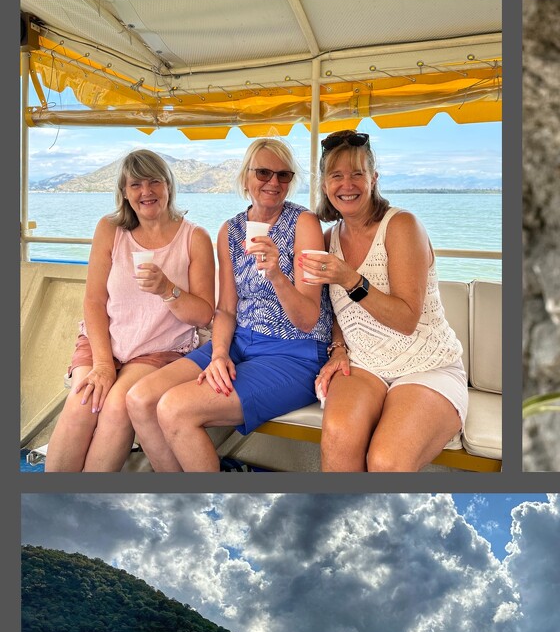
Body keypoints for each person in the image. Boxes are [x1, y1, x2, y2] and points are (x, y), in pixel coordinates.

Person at [126, 138, 335, 471]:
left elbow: (308, 319)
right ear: (245, 177)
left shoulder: (303, 224)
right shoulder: (231, 230)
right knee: (140, 399)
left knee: (175, 408)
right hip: (239, 342)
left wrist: (277, 274)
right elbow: (225, 310)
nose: (273, 183)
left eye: (283, 175)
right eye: (264, 172)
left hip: (294, 352)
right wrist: (220, 354)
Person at [299, 129, 467, 472]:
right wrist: (339, 347)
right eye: (337, 176)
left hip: (427, 366)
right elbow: (334, 311)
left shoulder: (402, 226)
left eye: (357, 174)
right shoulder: (329, 237)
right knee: (338, 437)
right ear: (325, 185)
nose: (347, 184)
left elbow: (406, 319)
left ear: (373, 179)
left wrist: (350, 278)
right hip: (364, 366)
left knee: (386, 461)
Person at [45, 149, 215, 471]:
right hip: (103, 340)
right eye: (136, 184)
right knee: (82, 404)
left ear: (169, 186)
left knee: (116, 407)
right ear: (124, 191)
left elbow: (204, 314)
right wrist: (102, 363)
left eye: (154, 182)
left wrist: (168, 290)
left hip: (160, 348)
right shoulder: (110, 229)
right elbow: (94, 302)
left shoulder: (195, 239)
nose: (146, 192)